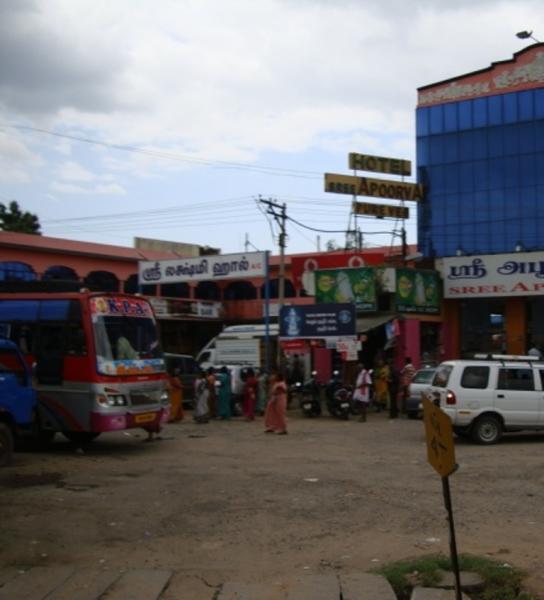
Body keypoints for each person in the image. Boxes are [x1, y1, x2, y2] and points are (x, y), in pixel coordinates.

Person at [264, 370, 288, 434]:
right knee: (272, 414)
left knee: (280, 414)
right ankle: (272, 426)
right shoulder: (275, 383)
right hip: (274, 400)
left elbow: (279, 391)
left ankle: (283, 428)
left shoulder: (281, 384)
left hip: (280, 399)